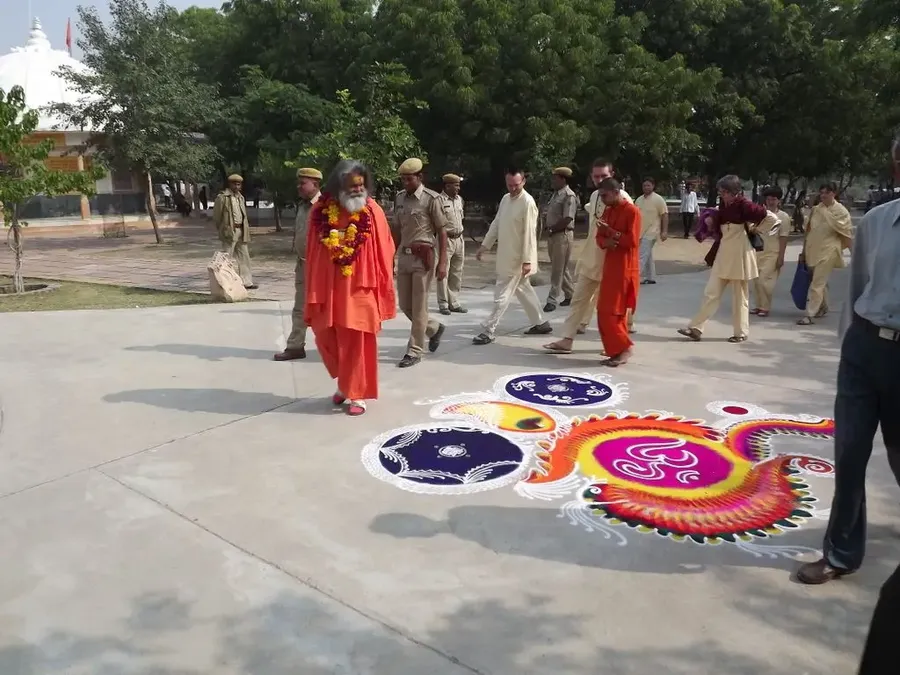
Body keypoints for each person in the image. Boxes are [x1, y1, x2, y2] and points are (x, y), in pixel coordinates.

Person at [795, 132, 900, 588]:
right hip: (865, 350)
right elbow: (857, 287)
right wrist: (849, 348)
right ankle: (840, 553)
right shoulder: (877, 221)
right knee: (850, 451)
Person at [304, 160, 397, 417]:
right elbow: (311, 251)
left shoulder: (372, 211)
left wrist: (383, 284)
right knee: (326, 336)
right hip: (329, 288)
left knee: (356, 340)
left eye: (361, 185)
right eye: (351, 186)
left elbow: (386, 249)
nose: (358, 190)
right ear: (337, 186)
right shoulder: (320, 212)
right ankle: (344, 385)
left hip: (360, 289)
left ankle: (356, 393)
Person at [543, 158, 632, 354]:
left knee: (611, 309)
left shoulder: (623, 200)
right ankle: (567, 339)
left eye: (604, 176)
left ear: (612, 175)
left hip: (612, 264)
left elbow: (629, 236)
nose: (599, 180)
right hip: (592, 259)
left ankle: (617, 345)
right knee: (578, 300)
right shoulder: (595, 196)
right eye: (596, 176)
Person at [677, 175, 777, 343]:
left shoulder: (745, 205)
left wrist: (755, 230)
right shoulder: (724, 204)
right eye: (721, 191)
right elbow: (721, 222)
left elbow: (772, 218)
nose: (722, 195)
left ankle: (741, 332)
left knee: (740, 296)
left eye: (724, 192)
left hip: (740, 254)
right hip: (724, 252)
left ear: (734, 192)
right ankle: (696, 328)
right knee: (711, 292)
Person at [472, 168, 551, 345]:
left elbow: (530, 235)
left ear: (523, 182)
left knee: (502, 294)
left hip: (518, 260)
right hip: (505, 256)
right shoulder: (505, 199)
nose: (513, 188)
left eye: (516, 185)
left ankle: (489, 329)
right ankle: (540, 322)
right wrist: (485, 245)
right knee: (523, 290)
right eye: (510, 185)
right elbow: (497, 223)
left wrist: (527, 260)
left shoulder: (528, 203)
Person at [394, 158, 449, 368]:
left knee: (419, 306)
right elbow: (397, 229)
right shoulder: (399, 198)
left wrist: (443, 262)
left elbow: (442, 232)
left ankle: (415, 350)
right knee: (405, 305)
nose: (405, 183)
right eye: (403, 179)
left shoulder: (431, 199)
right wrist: (391, 255)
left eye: (409, 179)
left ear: (420, 177)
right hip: (405, 256)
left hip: (423, 258)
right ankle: (434, 328)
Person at [274, 167, 322, 361]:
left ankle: (336, 347)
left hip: (321, 268)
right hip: (303, 265)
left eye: (303, 183)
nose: (299, 187)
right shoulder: (302, 206)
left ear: (316, 184)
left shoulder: (325, 207)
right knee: (300, 307)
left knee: (325, 310)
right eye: (299, 182)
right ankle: (295, 346)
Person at [594, 178, 641, 366]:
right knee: (604, 311)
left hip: (625, 269)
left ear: (616, 191)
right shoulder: (608, 210)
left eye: (605, 195)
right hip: (610, 267)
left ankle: (624, 349)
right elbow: (599, 237)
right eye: (601, 196)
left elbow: (633, 241)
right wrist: (606, 241)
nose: (603, 199)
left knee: (615, 312)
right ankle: (615, 350)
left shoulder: (632, 211)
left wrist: (612, 233)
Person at [797, 182, 854, 325]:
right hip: (812, 249)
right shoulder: (816, 210)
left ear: (834, 194)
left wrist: (854, 253)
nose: (823, 195)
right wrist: (803, 252)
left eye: (826, 193)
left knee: (817, 282)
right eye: (821, 193)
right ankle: (823, 306)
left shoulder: (841, 212)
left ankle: (810, 314)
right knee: (818, 280)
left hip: (829, 250)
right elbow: (808, 231)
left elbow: (846, 233)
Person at [750, 186, 791, 317]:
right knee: (756, 281)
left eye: (774, 199)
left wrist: (781, 257)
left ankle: (765, 307)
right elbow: (751, 229)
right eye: (768, 199)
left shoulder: (783, 217)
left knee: (764, 281)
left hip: (773, 253)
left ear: (779, 200)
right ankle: (758, 305)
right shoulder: (760, 213)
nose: (771, 202)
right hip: (757, 251)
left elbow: (783, 237)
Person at [213, 174, 257, 290]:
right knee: (226, 258)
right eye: (234, 184)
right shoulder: (222, 198)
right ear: (230, 184)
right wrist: (223, 229)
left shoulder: (240, 197)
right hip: (229, 231)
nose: (237, 186)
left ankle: (246, 282)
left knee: (244, 257)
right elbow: (217, 217)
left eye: (239, 184)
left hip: (241, 230)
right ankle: (224, 282)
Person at [543, 167, 577, 312]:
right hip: (554, 235)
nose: (553, 181)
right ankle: (571, 295)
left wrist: (553, 228)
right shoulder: (556, 194)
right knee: (561, 267)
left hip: (562, 235)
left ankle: (552, 299)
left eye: (555, 178)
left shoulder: (569, 195)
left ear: (563, 179)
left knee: (557, 269)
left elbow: (568, 217)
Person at [436, 173, 467, 315]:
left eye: (459, 185)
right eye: (456, 185)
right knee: (443, 271)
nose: (458, 188)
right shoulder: (439, 201)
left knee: (456, 272)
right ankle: (443, 303)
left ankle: (453, 302)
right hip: (445, 240)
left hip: (459, 239)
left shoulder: (459, 200)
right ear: (447, 186)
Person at [635, 177, 668, 285]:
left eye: (648, 185)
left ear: (653, 186)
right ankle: (650, 277)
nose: (646, 187)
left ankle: (632, 279)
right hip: (640, 231)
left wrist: (664, 231)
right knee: (647, 255)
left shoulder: (658, 199)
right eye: (644, 185)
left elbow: (664, 215)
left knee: (641, 256)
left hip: (652, 232)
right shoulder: (639, 200)